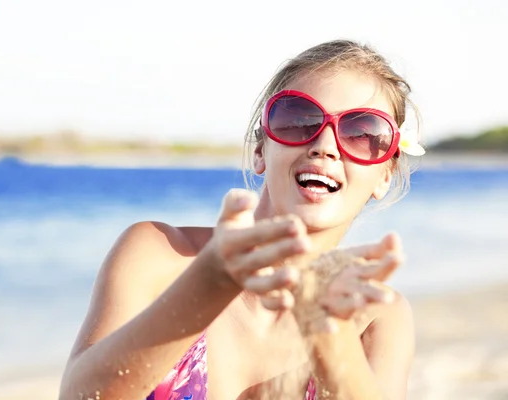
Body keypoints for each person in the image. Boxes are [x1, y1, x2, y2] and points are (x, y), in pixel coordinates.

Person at [58, 39, 425, 400]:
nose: (324, 145)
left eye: (363, 133)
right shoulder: (160, 255)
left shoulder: (376, 316)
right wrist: (209, 284)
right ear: (262, 150)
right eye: (298, 120)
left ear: (385, 175)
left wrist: (331, 340)